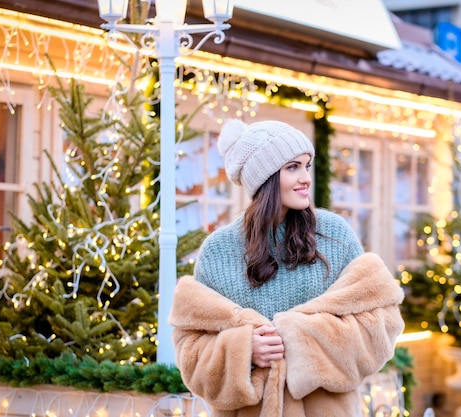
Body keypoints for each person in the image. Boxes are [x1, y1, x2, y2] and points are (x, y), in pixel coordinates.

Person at [169, 119, 404, 417]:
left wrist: (301, 339)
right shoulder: (219, 250)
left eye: (307, 165)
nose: (306, 177)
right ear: (264, 178)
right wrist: (244, 351)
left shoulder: (334, 234)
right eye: (292, 167)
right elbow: (190, 350)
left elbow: (382, 323)